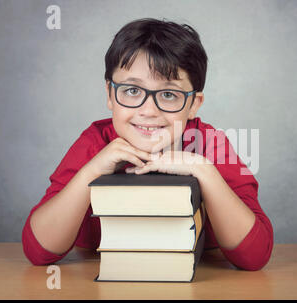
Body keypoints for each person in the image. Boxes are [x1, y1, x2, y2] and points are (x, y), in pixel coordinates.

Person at [22, 18, 273, 271]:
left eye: (168, 94)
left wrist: (204, 170)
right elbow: (39, 250)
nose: (149, 110)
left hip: (197, 277)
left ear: (194, 104)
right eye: (132, 91)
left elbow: (254, 257)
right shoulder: (94, 142)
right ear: (110, 94)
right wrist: (92, 171)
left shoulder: (210, 144)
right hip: (104, 272)